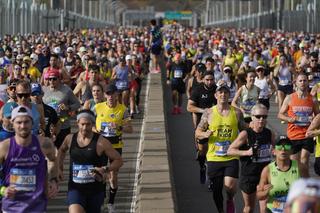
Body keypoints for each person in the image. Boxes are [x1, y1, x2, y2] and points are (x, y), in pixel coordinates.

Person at [57, 110, 123, 213]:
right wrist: (59, 168)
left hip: (95, 190)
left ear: (93, 124)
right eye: (82, 124)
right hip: (75, 188)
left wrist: (105, 169)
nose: (84, 127)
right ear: (77, 123)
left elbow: (118, 160)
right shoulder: (69, 139)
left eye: (88, 124)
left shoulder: (101, 142)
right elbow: (61, 150)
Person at [195, 83, 247, 213]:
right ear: (216, 95)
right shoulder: (209, 112)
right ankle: (220, 210)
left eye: (226, 92)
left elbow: (244, 129)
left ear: (229, 95)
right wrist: (205, 133)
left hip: (231, 155)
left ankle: (230, 199)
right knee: (217, 189)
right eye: (220, 92)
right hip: (214, 156)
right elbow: (197, 132)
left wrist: (254, 126)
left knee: (229, 186)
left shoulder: (236, 112)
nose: (223, 95)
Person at [0, 106, 59, 212]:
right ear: (12, 124)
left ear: (32, 123)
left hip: (37, 207)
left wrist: (53, 180)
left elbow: (53, 159)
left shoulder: (44, 143)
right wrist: (2, 190)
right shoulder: (4, 147)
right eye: (19, 122)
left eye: (26, 122)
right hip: (11, 208)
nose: (23, 126)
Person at [227, 104, 274, 213]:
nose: (261, 119)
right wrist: (247, 152)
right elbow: (230, 151)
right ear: (252, 117)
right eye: (258, 116)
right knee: (249, 208)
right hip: (249, 175)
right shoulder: (245, 134)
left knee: (265, 208)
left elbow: (274, 149)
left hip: (265, 176)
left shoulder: (269, 133)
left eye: (264, 116)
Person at [94, 84, 133, 212]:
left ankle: (111, 202)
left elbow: (130, 129)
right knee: (100, 174)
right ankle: (101, 199)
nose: (110, 96)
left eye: (113, 94)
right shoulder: (98, 107)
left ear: (117, 95)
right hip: (101, 146)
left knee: (113, 175)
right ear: (105, 95)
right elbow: (89, 124)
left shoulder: (123, 109)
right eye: (108, 94)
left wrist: (119, 127)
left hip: (116, 146)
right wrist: (96, 130)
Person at [278, 72, 319, 171]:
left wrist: (313, 121)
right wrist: (289, 119)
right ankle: (295, 183)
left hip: (307, 134)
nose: (303, 83)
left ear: (308, 82)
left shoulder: (312, 99)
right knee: (294, 164)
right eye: (300, 81)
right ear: (296, 83)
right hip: (293, 134)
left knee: (304, 160)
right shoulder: (290, 98)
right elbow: (279, 114)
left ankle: (304, 183)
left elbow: (318, 116)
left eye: (305, 80)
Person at [257, 136, 308, 213]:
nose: (283, 149)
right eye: (279, 146)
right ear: (273, 151)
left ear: (291, 151)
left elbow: (310, 189)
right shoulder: (267, 170)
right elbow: (259, 195)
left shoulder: (300, 167)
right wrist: (265, 192)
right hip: (273, 210)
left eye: (287, 146)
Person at [187, 71, 217, 184]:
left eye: (211, 80)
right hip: (202, 124)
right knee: (202, 151)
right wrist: (204, 111)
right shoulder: (198, 90)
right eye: (207, 80)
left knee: (213, 151)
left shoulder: (218, 90)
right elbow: (189, 107)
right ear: (203, 79)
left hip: (215, 124)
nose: (210, 82)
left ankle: (212, 179)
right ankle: (202, 167)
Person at [42, 69, 80, 148]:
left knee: (61, 151)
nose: (52, 81)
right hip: (48, 126)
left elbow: (77, 104)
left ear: (59, 79)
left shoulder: (66, 90)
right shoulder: (44, 90)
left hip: (63, 125)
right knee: (48, 151)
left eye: (54, 79)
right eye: (50, 79)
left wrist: (68, 107)